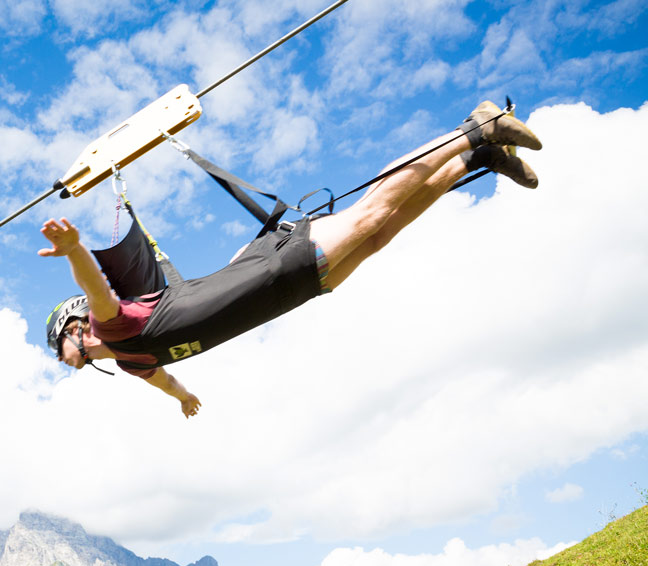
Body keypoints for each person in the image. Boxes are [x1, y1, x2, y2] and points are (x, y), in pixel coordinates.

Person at [39, 101, 542, 418]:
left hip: (274, 267)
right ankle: (474, 160)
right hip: (290, 295)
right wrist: (184, 398)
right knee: (377, 237)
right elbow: (165, 379)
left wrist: (75, 250)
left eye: (57, 348)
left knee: (370, 214)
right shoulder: (132, 363)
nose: (62, 363)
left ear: (73, 328)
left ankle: (476, 129)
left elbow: (99, 288)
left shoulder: (112, 327)